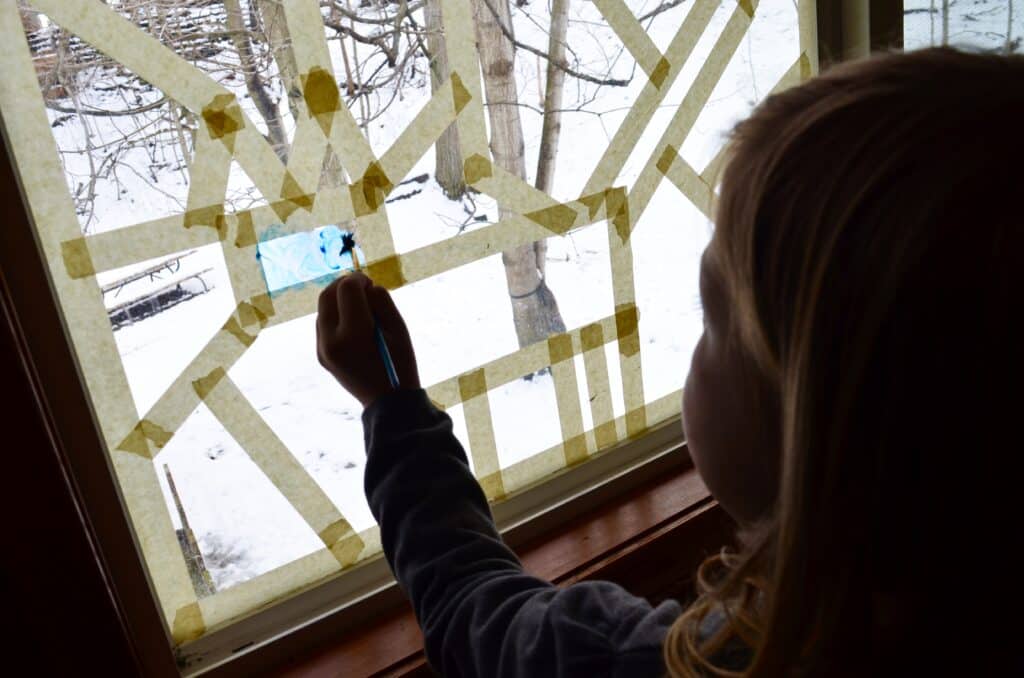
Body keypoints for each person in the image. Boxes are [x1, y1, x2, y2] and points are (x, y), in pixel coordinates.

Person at [316, 48, 1024, 677]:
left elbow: (481, 620)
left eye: (712, 319)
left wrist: (395, 409)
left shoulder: (681, 663)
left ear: (821, 435)